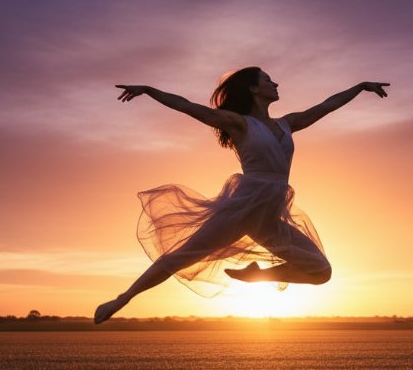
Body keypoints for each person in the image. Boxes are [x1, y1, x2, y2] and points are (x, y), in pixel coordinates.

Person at [95, 67, 389, 323]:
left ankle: (257, 275)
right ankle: (122, 299)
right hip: (243, 208)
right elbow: (187, 106)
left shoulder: (287, 124)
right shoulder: (239, 123)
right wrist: (148, 90)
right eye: (268, 80)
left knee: (321, 271)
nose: (275, 84)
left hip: (269, 217)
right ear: (253, 89)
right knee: (182, 256)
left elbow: (327, 105)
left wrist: (361, 87)